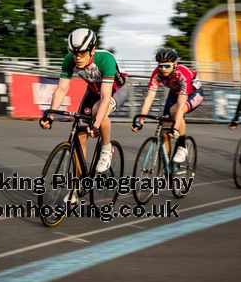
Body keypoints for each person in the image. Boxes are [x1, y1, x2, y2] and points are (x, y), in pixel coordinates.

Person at [40, 28, 128, 177]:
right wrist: (51, 115)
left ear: (92, 50)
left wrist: (96, 124)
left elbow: (106, 97)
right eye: (74, 53)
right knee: (80, 133)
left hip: (116, 90)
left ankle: (107, 149)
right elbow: (61, 89)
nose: (77, 58)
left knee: (98, 110)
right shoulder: (69, 59)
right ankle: (78, 184)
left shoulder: (106, 59)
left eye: (82, 53)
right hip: (93, 91)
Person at [132, 48, 204, 163]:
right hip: (175, 92)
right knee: (164, 128)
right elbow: (149, 98)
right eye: (161, 66)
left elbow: (181, 105)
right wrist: (141, 121)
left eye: (167, 66)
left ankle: (182, 146)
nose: (163, 69)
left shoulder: (183, 74)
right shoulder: (157, 74)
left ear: (175, 64)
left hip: (193, 93)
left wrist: (175, 129)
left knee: (175, 112)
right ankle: (167, 168)